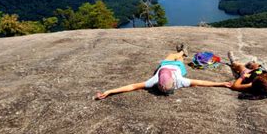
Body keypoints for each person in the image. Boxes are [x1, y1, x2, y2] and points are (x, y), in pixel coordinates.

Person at [94, 44, 230, 99]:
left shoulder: (154, 81)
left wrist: (110, 91)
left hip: (166, 65)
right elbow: (201, 82)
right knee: (178, 58)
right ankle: (182, 52)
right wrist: (221, 83)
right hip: (176, 67)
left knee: (173, 55)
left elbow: (133, 86)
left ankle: (182, 51)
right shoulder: (180, 81)